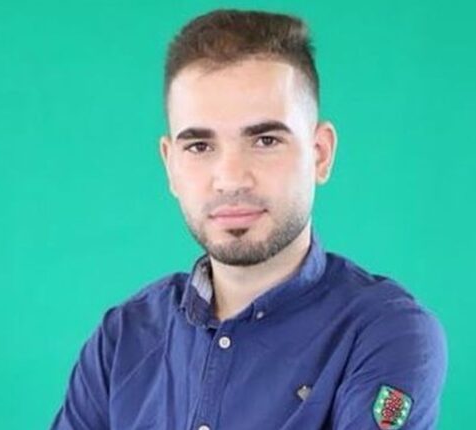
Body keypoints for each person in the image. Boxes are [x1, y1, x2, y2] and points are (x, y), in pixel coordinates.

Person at [51, 8, 447, 430]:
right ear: (170, 166)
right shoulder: (122, 339)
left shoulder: (386, 333)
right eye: (199, 147)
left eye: (265, 140)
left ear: (320, 154)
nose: (231, 179)